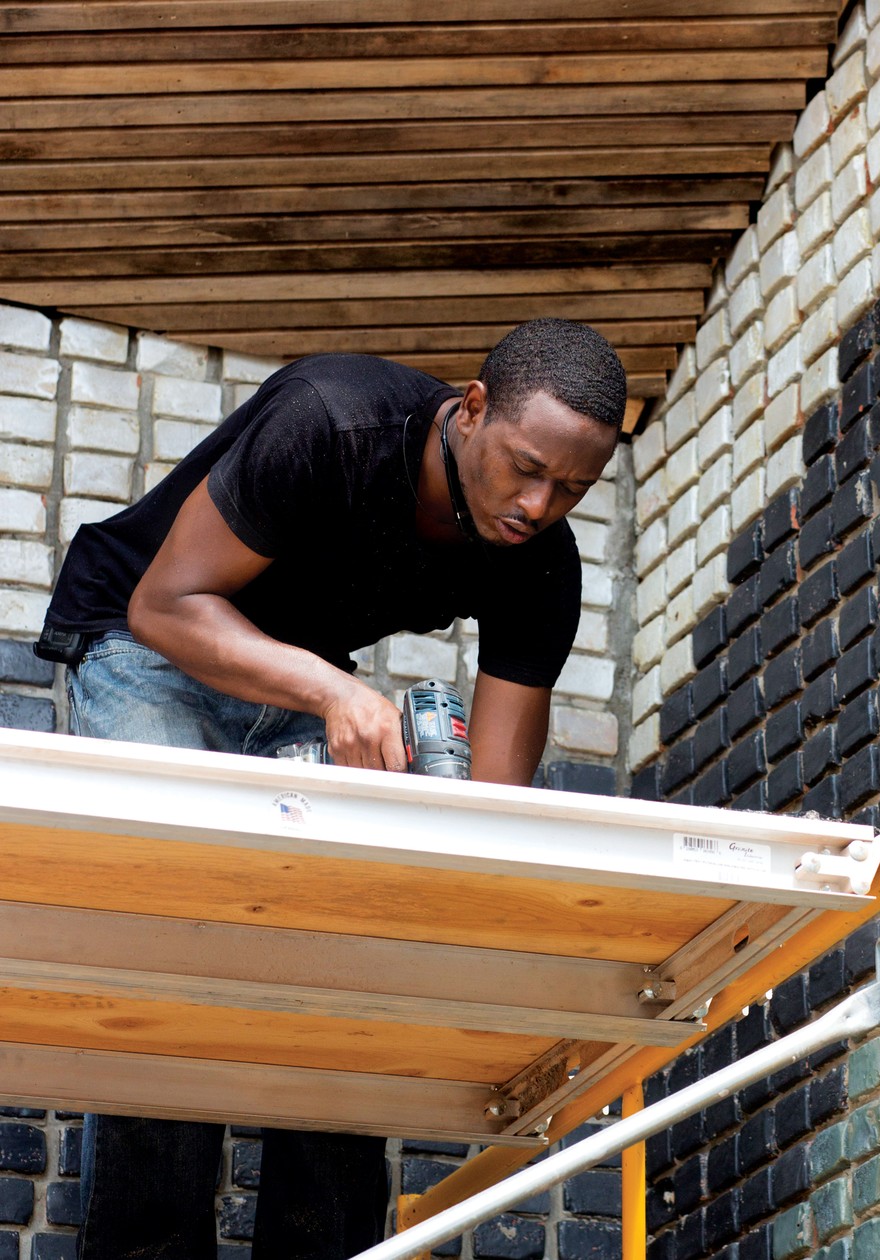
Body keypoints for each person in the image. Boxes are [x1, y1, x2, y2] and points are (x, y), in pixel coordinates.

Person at [35, 318, 626, 1260]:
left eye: (570, 489)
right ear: (471, 410)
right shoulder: (330, 421)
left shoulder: (540, 559)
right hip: (150, 641)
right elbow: (163, 604)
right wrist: (332, 689)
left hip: (302, 683)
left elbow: (498, 811)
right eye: (523, 467)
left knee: (345, 982)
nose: (536, 504)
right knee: (180, 949)